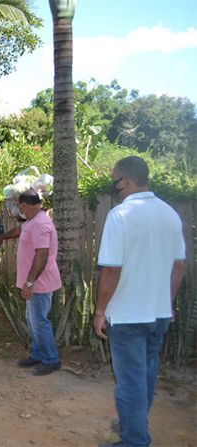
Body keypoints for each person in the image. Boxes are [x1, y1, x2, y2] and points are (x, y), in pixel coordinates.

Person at [94, 156, 186, 447]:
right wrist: (168, 304)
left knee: (130, 383)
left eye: (115, 181)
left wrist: (99, 311)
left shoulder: (120, 215)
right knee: (145, 377)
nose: (115, 188)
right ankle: (132, 424)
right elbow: (179, 266)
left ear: (126, 180)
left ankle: (135, 440)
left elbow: (111, 268)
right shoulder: (170, 214)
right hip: (158, 315)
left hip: (127, 316)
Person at [0, 189, 62, 375]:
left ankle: (51, 359)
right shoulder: (33, 222)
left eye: (19, 206)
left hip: (40, 283)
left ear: (24, 205)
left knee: (39, 321)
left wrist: (30, 282)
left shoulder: (40, 224)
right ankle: (38, 354)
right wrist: (2, 237)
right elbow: (19, 230)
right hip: (35, 282)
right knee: (33, 321)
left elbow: (42, 254)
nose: (18, 209)